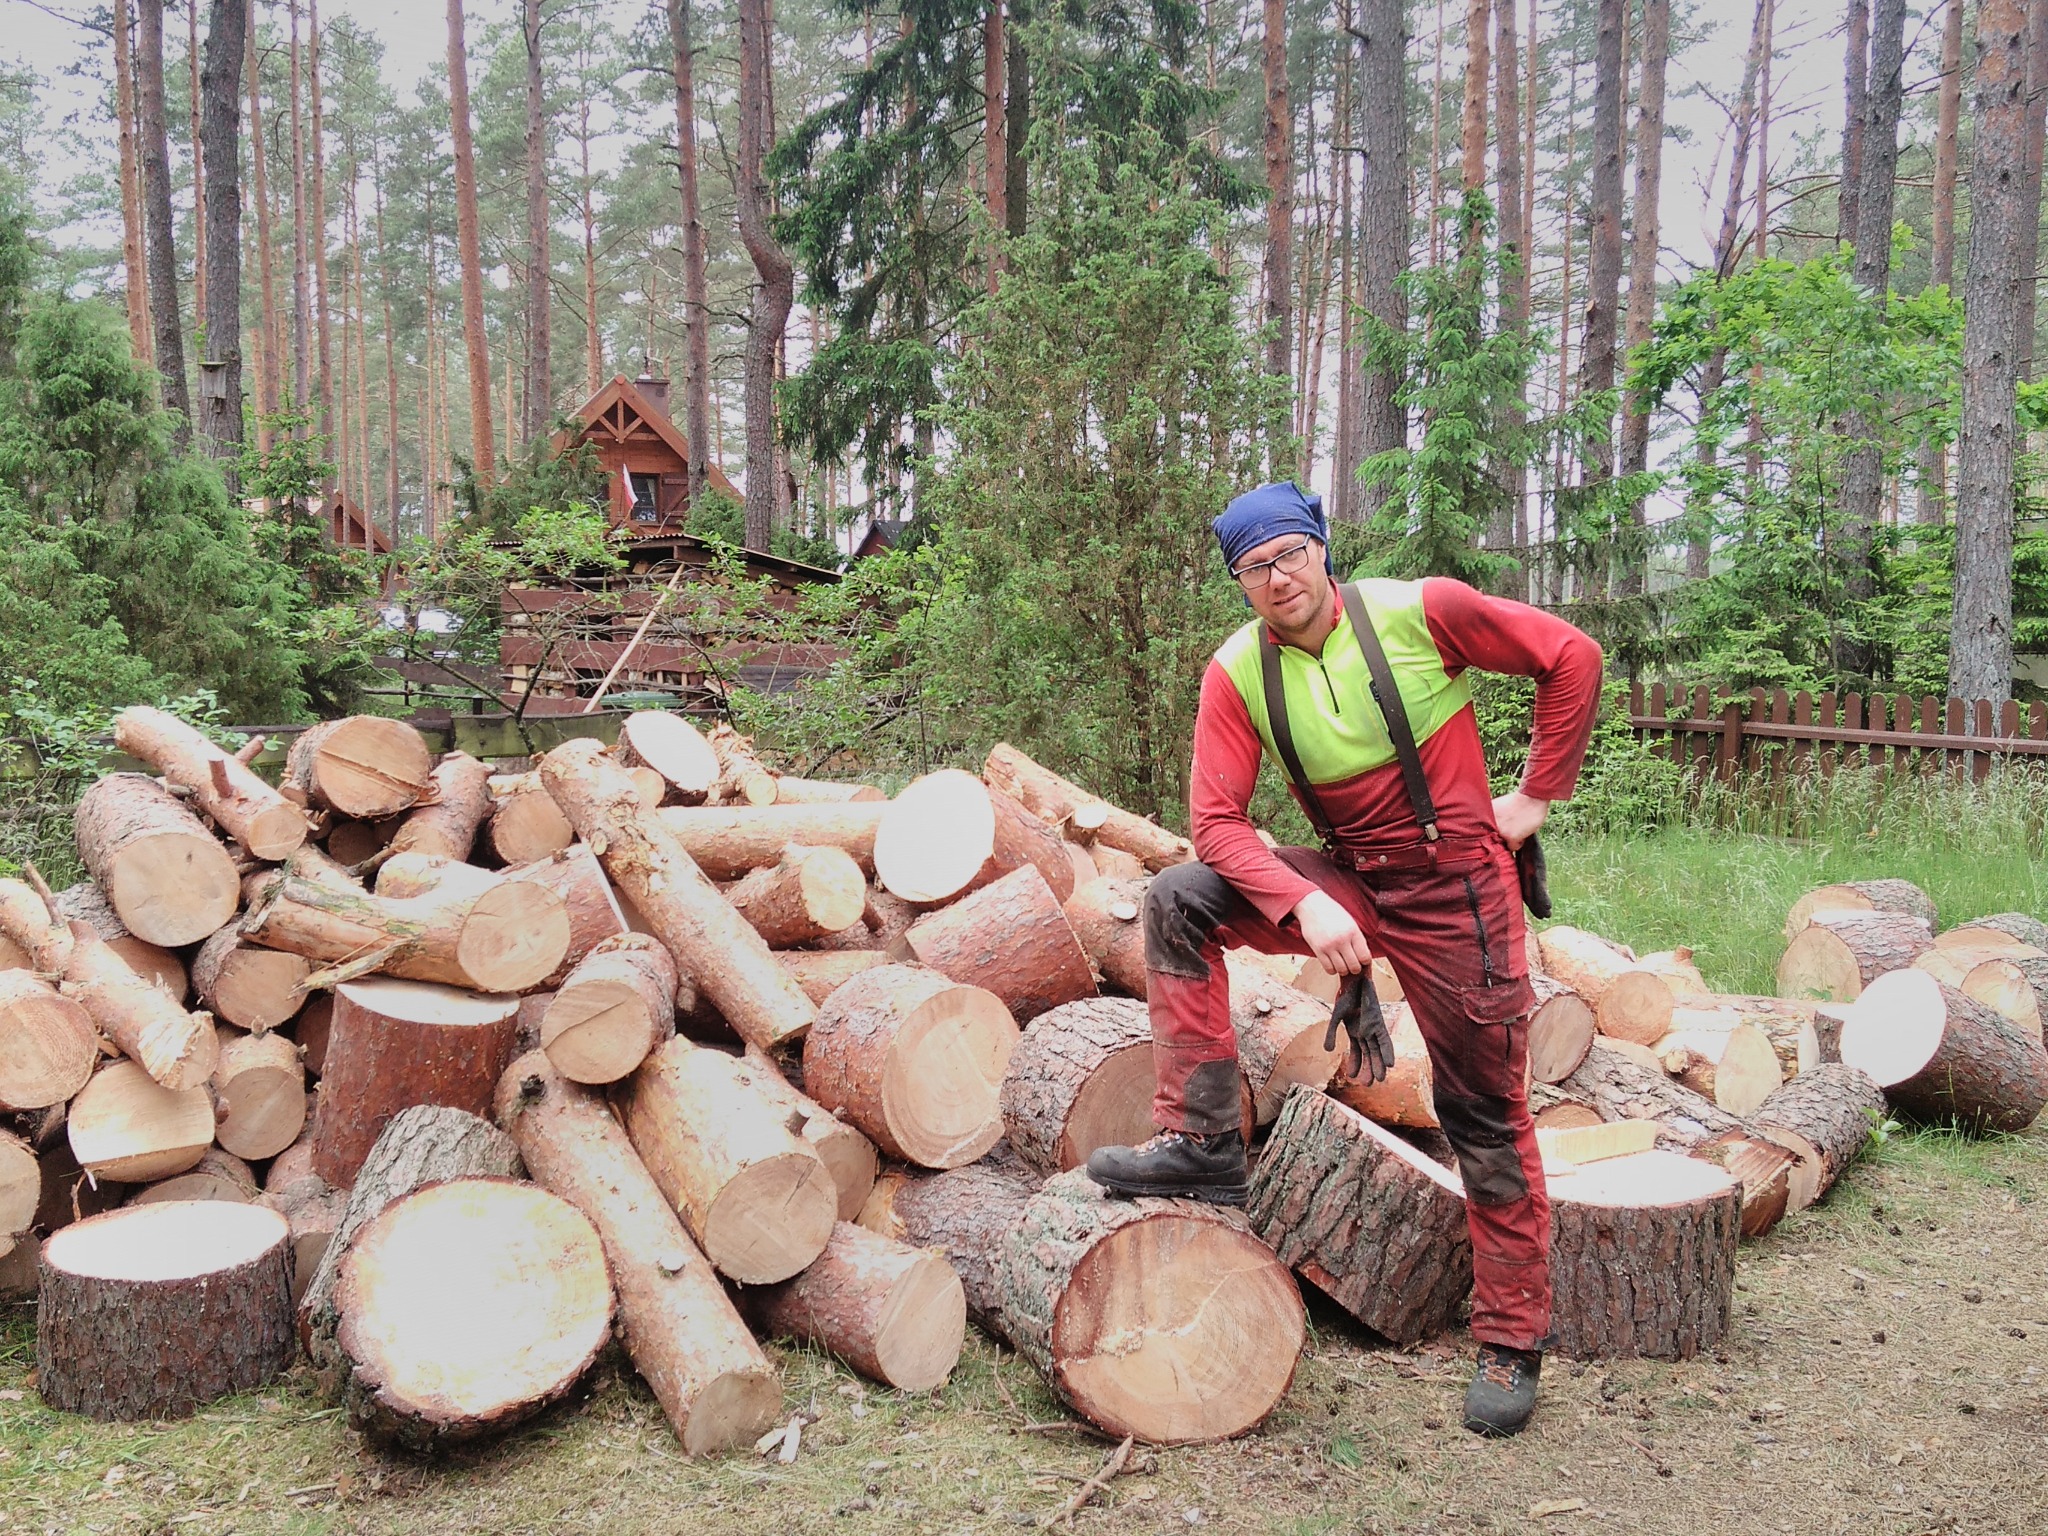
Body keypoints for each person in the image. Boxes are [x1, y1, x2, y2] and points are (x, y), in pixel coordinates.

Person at [1085, 480, 1603, 1438]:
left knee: (1483, 1114)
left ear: (1321, 547)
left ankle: (1510, 1337)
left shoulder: (1421, 612)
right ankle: (1203, 1142)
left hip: (1458, 888)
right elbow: (1214, 823)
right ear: (1240, 582)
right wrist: (1305, 899)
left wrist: (1536, 795)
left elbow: (1570, 656)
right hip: (1356, 876)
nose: (1278, 578)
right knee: (1178, 900)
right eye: (1254, 568)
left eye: (1290, 554)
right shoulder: (1238, 672)